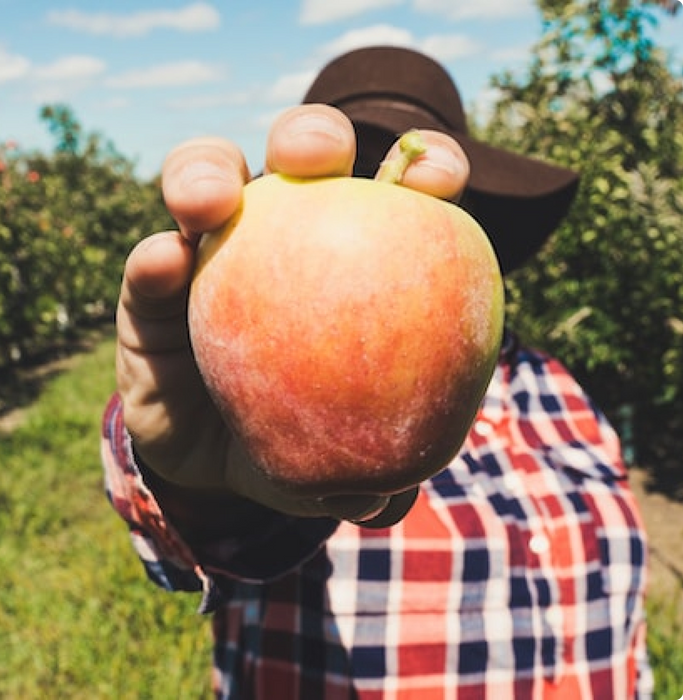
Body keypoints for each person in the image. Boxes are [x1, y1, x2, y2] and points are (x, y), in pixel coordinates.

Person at [102, 46, 652, 698]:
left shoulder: (558, 390)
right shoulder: (268, 410)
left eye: (390, 175)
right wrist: (203, 485)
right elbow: (233, 540)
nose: (379, 192)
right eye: (357, 173)